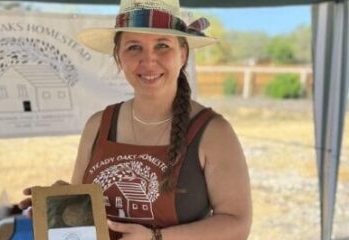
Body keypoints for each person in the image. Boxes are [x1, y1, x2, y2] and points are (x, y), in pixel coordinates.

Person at [19, 0, 252, 239]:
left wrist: (156, 237)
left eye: (162, 45)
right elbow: (89, 217)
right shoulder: (98, 125)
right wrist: (59, 203)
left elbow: (237, 224)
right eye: (134, 47)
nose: (148, 60)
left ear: (182, 55)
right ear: (118, 57)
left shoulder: (213, 132)